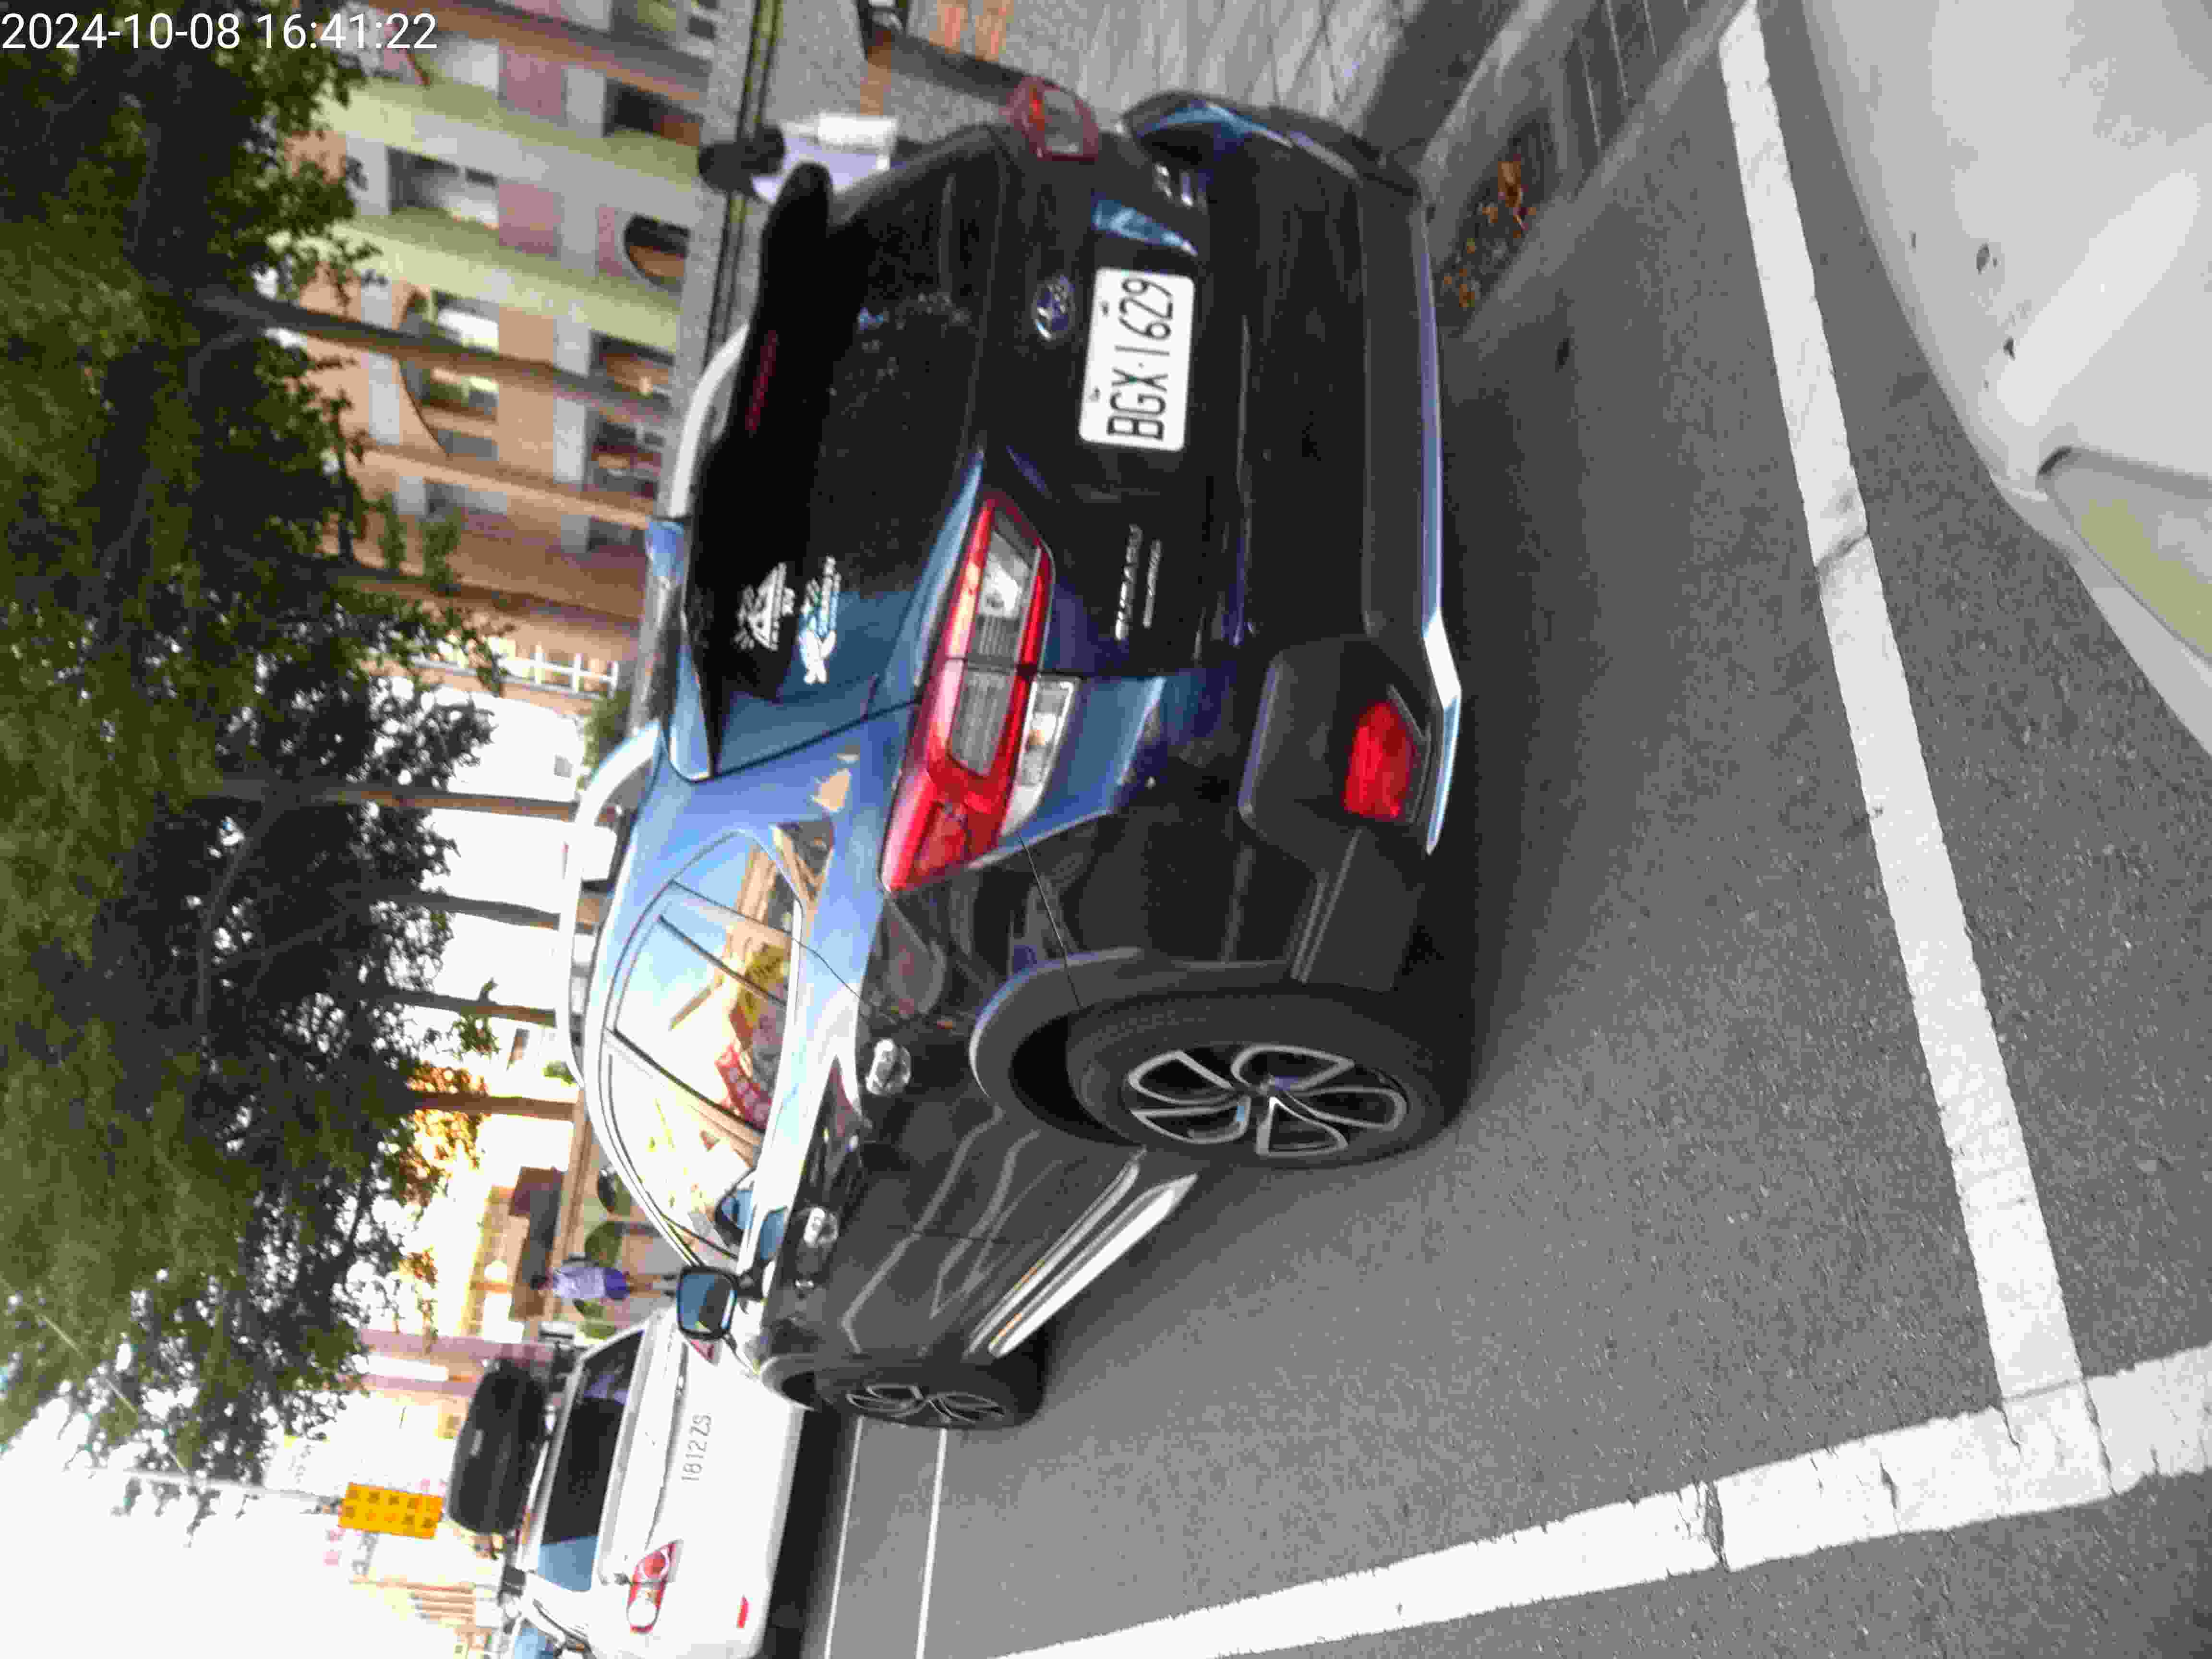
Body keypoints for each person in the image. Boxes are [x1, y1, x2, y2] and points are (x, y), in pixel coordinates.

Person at [697, 114, 914, 202]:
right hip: (885, 156)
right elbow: (827, 129)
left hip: (876, 195)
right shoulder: (772, 137)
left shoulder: (767, 191)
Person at [529, 1256, 682, 1304]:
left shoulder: (561, 1272)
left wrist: (597, 1265)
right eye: (545, 1288)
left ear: (546, 1279)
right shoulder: (558, 1293)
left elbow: (583, 1265)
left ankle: (664, 1278)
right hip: (602, 1291)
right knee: (632, 1291)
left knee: (631, 1280)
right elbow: (580, 1296)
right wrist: (598, 1299)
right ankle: (664, 1293)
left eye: (546, 1284)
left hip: (602, 1277)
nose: (548, 1287)